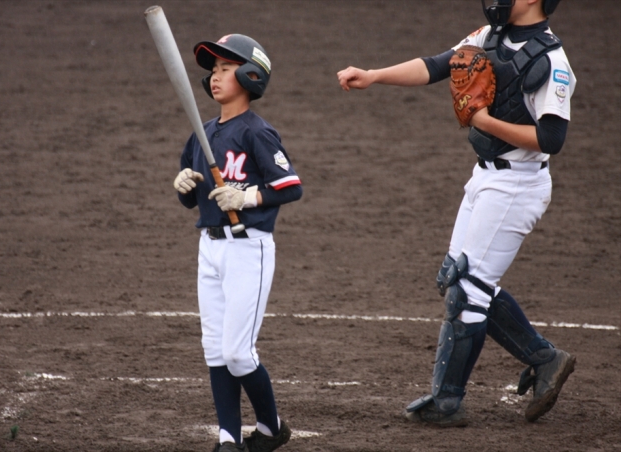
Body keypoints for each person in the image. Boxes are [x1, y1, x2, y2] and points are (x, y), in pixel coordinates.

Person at [337, 0, 576, 427]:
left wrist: (484, 122)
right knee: (458, 279)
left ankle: (447, 401)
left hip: (517, 185)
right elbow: (437, 65)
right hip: (485, 177)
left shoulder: (552, 61)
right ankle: (545, 358)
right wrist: (374, 75)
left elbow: (551, 138)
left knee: (469, 290)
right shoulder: (489, 36)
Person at [173, 34, 300, 451]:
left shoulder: (257, 132)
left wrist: (248, 197)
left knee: (239, 353)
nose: (215, 76)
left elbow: (290, 186)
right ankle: (228, 439)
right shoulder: (203, 133)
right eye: (213, 70)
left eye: (226, 69)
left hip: (248, 248)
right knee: (214, 350)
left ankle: (271, 429)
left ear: (250, 75)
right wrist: (184, 184)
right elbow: (193, 197)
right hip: (209, 248)